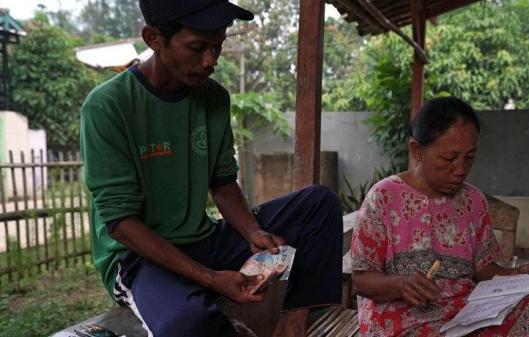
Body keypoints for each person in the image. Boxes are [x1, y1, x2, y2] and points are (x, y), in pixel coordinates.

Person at [79, 1, 342, 336]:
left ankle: (292, 324)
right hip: (138, 258)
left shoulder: (214, 98)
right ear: (154, 38)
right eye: (197, 48)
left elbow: (222, 183)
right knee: (187, 323)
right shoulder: (108, 106)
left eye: (217, 47)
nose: (210, 61)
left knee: (318, 204)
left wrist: (253, 232)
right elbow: (121, 225)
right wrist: (210, 278)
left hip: (203, 240)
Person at [350, 97, 529, 337]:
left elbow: (482, 269)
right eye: (449, 159)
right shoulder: (383, 197)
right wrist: (401, 283)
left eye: (469, 157)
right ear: (417, 150)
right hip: (401, 318)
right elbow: (361, 279)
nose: (460, 169)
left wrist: (513, 275)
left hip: (463, 312)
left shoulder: (474, 200)